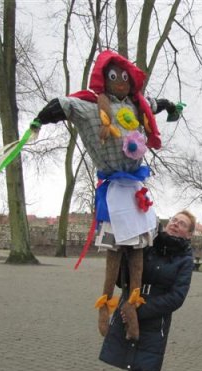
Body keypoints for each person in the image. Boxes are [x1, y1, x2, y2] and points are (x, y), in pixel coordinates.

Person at [33, 49, 183, 341]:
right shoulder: (92, 109)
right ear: (105, 78)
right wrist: (40, 119)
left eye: (124, 77)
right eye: (114, 76)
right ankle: (105, 304)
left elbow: (156, 104)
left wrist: (170, 106)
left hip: (136, 190)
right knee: (115, 253)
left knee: (138, 251)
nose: (120, 82)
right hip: (114, 191)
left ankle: (132, 305)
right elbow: (65, 106)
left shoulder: (137, 106)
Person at [99, 210, 196, 371]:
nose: (176, 224)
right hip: (126, 314)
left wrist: (139, 310)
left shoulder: (185, 259)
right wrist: (119, 258)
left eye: (183, 224)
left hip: (154, 323)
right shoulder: (147, 244)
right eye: (175, 220)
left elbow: (177, 297)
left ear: (189, 233)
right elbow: (125, 280)